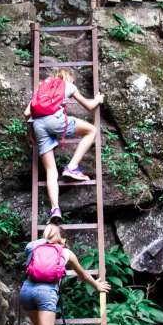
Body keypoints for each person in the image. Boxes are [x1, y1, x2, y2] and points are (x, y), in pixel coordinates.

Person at [23, 69, 104, 223]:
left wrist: (30, 133)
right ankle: (72, 166)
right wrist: (98, 99)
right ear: (69, 77)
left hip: (38, 126)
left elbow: (27, 113)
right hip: (55, 121)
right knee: (91, 130)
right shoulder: (68, 85)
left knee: (50, 170)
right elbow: (89, 106)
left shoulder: (43, 86)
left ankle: (55, 209)